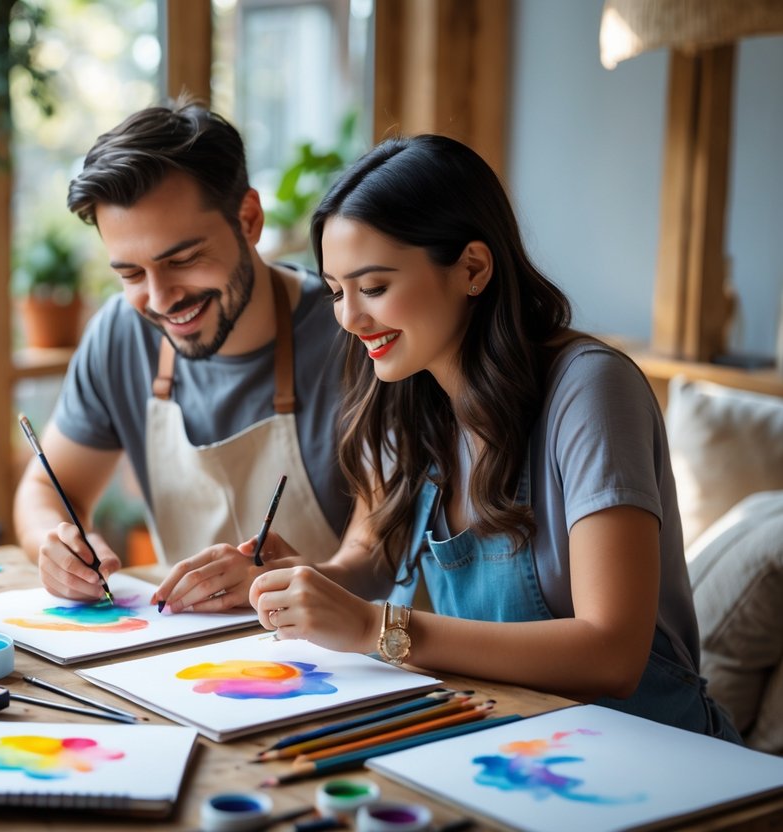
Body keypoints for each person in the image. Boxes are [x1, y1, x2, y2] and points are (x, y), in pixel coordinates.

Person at [244, 134, 741, 740]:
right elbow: (368, 560)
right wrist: (295, 581)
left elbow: (613, 654)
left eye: (373, 288)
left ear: (473, 268)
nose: (349, 318)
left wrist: (378, 629)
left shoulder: (590, 390)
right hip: (513, 746)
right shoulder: (407, 392)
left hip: (658, 758)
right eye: (337, 292)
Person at [13, 99, 351, 605]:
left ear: (250, 219)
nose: (160, 298)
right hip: (185, 664)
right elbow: (43, 492)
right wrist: (55, 544)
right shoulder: (120, 334)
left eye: (184, 259)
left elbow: (389, 558)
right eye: (130, 274)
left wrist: (290, 579)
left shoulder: (354, 335)